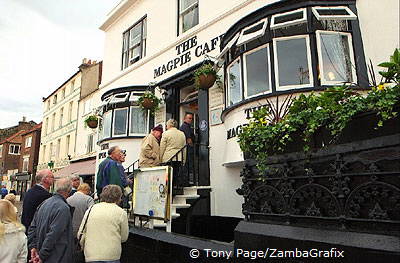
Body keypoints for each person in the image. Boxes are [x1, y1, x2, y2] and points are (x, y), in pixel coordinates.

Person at [78, 185, 129, 263]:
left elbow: (81, 232)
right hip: (112, 255)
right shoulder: (121, 213)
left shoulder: (91, 209)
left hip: (91, 254)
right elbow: (124, 237)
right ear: (118, 197)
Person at [28, 177, 74, 263]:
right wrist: (41, 256)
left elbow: (32, 228)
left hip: (43, 252)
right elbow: (53, 234)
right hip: (57, 256)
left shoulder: (44, 204)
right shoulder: (63, 208)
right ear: (69, 191)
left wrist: (33, 247)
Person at [179, 113, 195, 185]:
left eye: (191, 118)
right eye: (189, 118)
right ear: (184, 119)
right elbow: (189, 139)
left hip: (187, 149)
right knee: (187, 165)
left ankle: (187, 180)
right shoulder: (185, 126)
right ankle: (187, 181)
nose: (190, 120)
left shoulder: (187, 126)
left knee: (188, 165)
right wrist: (192, 147)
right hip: (187, 149)